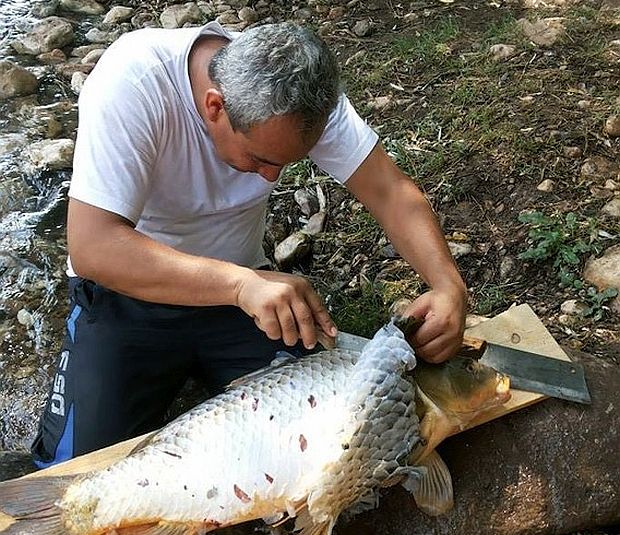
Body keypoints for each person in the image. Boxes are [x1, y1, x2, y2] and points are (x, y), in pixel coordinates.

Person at [31, 21, 467, 467]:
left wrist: (448, 285)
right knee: (75, 474)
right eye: (260, 159)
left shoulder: (301, 90)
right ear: (214, 106)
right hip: (129, 296)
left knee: (337, 439)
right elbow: (93, 247)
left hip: (246, 303)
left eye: (285, 164)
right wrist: (239, 284)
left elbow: (389, 191)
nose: (272, 177)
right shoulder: (135, 82)